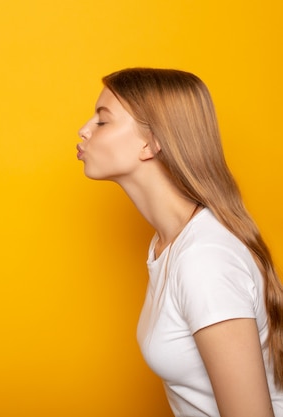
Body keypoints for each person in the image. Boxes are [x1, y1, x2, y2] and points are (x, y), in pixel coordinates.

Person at [77, 68, 283, 416]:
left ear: (152, 142)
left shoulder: (205, 260)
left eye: (102, 121)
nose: (84, 129)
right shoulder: (169, 243)